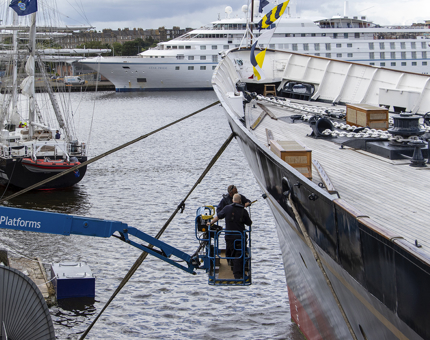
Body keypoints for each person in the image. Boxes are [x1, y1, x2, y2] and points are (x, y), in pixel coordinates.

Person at [209, 193, 252, 279]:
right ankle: (237, 274)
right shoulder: (243, 211)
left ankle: (231, 265)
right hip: (240, 237)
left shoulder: (227, 208)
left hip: (228, 236)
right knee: (239, 254)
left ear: (232, 200)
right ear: (240, 201)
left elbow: (218, 216)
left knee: (230, 251)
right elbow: (249, 223)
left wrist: (210, 223)